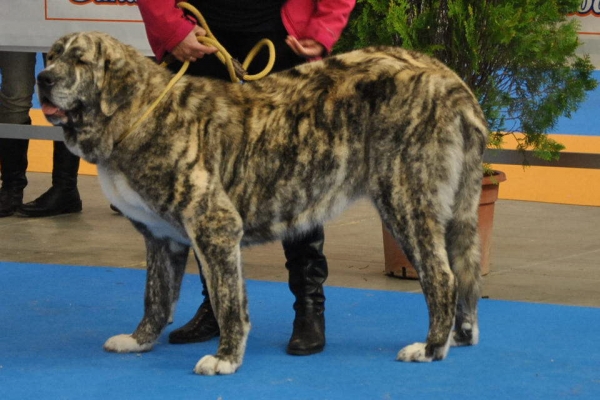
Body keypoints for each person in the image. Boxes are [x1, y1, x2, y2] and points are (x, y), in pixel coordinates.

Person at [137, 0, 355, 356]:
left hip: (284, 44)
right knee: (202, 187)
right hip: (201, 41)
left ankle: (310, 308)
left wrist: (323, 29)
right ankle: (217, 308)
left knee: (296, 179)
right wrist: (173, 30)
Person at [0, 52, 36, 218]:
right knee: (15, 96)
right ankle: (11, 187)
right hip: (17, 26)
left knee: (66, 95)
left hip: (63, 27)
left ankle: (65, 188)